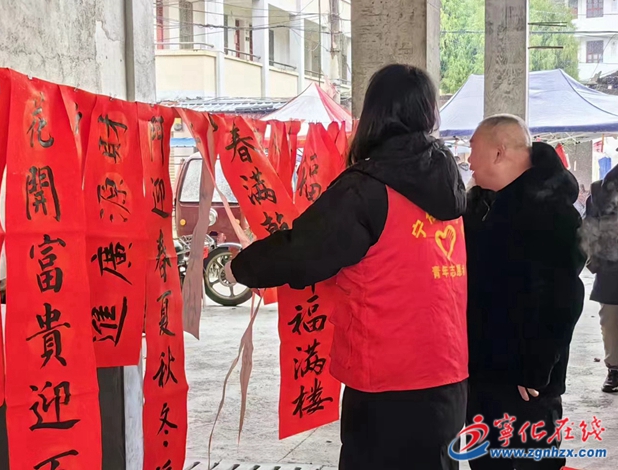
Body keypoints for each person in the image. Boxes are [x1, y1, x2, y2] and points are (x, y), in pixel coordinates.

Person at [225, 64, 469, 470]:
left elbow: (304, 251)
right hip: (448, 373)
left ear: (374, 114)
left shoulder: (367, 188)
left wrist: (242, 268)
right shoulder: (449, 181)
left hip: (386, 380)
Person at [465, 115, 586, 470]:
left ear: (499, 152)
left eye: (474, 150)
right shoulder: (482, 205)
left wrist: (535, 370)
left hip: (525, 383)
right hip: (483, 373)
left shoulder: (550, 212)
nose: (468, 160)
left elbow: (563, 298)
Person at [581, 164, 618, 393]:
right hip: (612, 268)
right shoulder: (599, 191)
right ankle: (615, 369)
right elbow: (589, 228)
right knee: (611, 320)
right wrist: (594, 261)